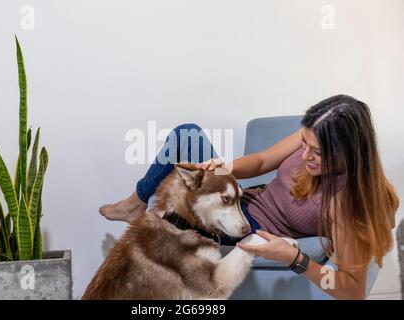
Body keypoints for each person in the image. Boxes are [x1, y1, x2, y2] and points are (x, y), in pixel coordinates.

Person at [99, 94, 399, 299]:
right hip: (242, 200)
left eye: (316, 152)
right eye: (304, 143)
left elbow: (352, 290)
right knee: (185, 133)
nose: (304, 153)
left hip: (247, 230)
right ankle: (135, 203)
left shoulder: (347, 205)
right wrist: (222, 166)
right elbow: (261, 161)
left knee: (165, 229)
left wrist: (296, 259)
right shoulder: (316, 132)